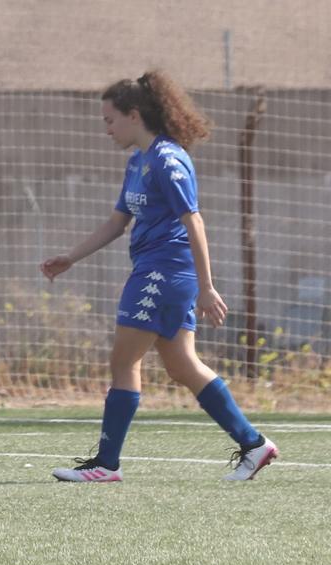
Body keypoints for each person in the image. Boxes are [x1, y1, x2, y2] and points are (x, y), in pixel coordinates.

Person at [41, 71, 278, 482]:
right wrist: (71, 257)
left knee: (123, 360)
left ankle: (106, 465)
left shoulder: (168, 160)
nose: (107, 129)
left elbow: (195, 221)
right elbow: (118, 222)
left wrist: (206, 287)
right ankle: (254, 444)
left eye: (110, 120)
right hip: (156, 270)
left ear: (134, 115)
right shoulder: (139, 161)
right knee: (183, 365)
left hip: (163, 272)